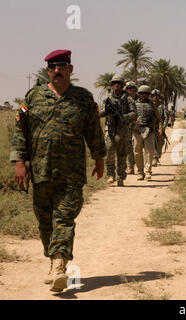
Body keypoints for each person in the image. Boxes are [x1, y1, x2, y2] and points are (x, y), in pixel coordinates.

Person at [10, 49, 106, 292]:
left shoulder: (83, 98)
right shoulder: (32, 98)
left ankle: (59, 266)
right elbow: (20, 130)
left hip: (71, 173)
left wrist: (99, 158)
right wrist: (20, 162)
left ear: (70, 69)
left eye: (61, 66)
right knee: (45, 222)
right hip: (41, 171)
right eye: (52, 67)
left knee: (64, 218)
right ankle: (53, 259)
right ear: (47, 70)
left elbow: (93, 131)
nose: (56, 71)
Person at [99, 75, 136, 186]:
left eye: (119, 83)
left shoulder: (128, 99)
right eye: (115, 83)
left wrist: (125, 117)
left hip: (122, 130)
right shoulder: (107, 99)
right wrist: (106, 111)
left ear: (122, 85)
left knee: (122, 154)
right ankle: (111, 175)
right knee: (109, 152)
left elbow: (134, 113)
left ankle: (120, 177)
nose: (117, 85)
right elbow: (100, 113)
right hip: (110, 129)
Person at [133, 85, 163, 181]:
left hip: (150, 131)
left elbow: (159, 118)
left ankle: (148, 172)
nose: (144, 95)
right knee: (137, 153)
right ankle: (140, 172)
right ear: (139, 94)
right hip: (137, 131)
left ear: (149, 95)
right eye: (142, 93)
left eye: (146, 93)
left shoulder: (152, 105)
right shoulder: (134, 104)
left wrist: (160, 128)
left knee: (149, 152)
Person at [152, 90, 169, 166]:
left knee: (160, 143)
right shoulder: (150, 105)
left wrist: (162, 128)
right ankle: (155, 158)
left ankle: (157, 157)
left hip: (160, 128)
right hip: (152, 128)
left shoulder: (162, 107)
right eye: (153, 95)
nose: (155, 97)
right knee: (153, 143)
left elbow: (166, 117)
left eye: (156, 95)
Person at [125, 81, 138, 174]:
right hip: (128, 127)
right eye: (128, 88)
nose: (130, 90)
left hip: (140, 127)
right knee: (129, 146)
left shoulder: (140, 100)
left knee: (138, 148)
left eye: (131, 88)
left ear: (135, 89)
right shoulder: (124, 100)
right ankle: (131, 166)